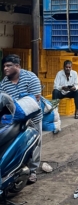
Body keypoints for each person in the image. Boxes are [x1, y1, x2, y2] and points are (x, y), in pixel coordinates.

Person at [0, 54, 42, 184]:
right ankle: (17, 168)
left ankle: (33, 171)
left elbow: (35, 99)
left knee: (34, 144)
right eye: (4, 66)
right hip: (14, 120)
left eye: (8, 66)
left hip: (33, 117)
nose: (5, 69)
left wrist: (16, 105)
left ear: (17, 66)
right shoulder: (4, 83)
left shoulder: (31, 77)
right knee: (17, 144)